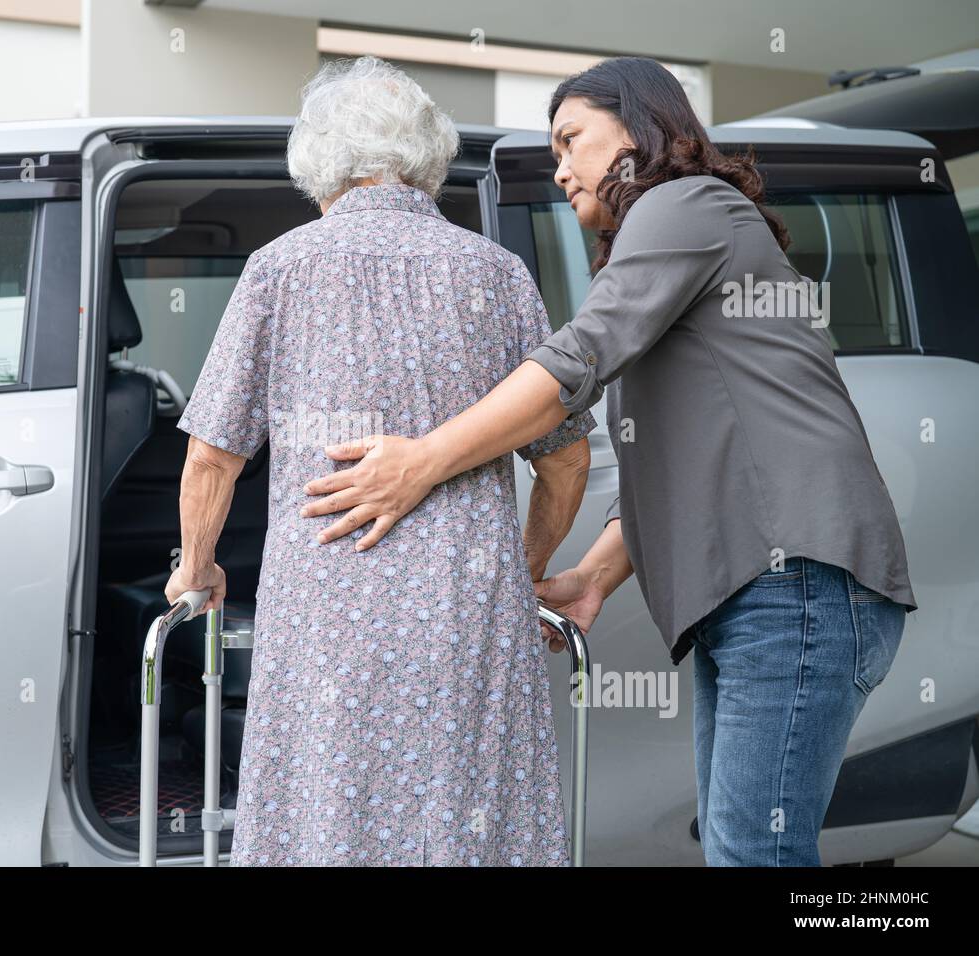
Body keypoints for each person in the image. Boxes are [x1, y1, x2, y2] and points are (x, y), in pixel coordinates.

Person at [299, 56, 918, 866]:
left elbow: (574, 361)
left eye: (570, 139)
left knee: (751, 853)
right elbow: (680, 460)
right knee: (746, 849)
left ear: (639, 126)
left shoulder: (684, 202)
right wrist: (592, 578)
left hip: (793, 581)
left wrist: (425, 460)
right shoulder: (673, 239)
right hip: (766, 593)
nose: (559, 169)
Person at [165, 55, 595, 865]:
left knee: (329, 813)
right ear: (430, 157)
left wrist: (197, 571)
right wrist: (521, 570)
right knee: (471, 814)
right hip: (469, 617)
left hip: (326, 618)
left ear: (317, 161)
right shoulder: (499, 275)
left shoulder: (280, 270)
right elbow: (565, 464)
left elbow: (212, 460)